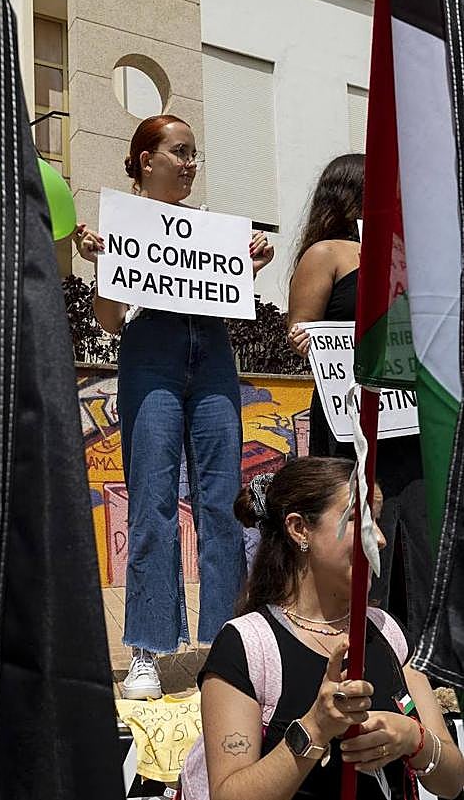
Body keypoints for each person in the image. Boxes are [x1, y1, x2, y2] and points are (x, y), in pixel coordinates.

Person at [75, 114, 273, 698]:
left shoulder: (210, 230)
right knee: (152, 501)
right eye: (179, 152)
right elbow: (109, 321)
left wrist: (248, 265)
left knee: (222, 503)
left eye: (193, 155)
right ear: (146, 160)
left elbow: (228, 296)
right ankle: (146, 648)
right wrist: (104, 264)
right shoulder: (122, 227)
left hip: (212, 357)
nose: (190, 164)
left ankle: (229, 644)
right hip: (151, 357)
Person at [199, 457, 464, 800]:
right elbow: (227, 794)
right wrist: (315, 727)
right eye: (357, 519)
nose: (379, 539)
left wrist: (415, 739)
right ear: (299, 529)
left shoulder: (387, 632)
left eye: (377, 520)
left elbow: (451, 781)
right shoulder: (247, 646)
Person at [286, 154, 431, 638]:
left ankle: (423, 652)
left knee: (420, 533)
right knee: (362, 523)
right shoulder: (327, 253)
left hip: (410, 422)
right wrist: (303, 339)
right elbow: (301, 327)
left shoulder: (410, 256)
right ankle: (361, 641)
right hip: (352, 423)